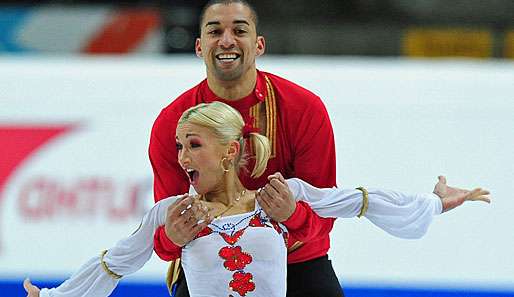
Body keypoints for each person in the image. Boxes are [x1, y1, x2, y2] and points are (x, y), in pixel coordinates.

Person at [24, 102, 490, 297]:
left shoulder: (277, 197)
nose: (181, 154)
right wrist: (54, 296)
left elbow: (359, 202)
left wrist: (433, 203)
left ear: (230, 151)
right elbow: (114, 263)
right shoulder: (172, 213)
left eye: (194, 144)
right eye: (180, 145)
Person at [150, 1, 342, 296]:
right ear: (200, 47)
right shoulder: (171, 122)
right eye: (215, 31)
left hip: (297, 262)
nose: (227, 40)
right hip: (211, 263)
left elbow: (326, 212)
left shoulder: (304, 109)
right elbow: (165, 230)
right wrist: (171, 238)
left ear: (259, 44)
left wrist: (292, 215)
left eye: (239, 30)